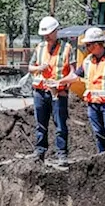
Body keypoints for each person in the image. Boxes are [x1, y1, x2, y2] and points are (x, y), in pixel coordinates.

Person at [67, 27, 105, 153]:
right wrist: (60, 81)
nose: (87, 48)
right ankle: (102, 157)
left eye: (89, 45)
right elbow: (76, 76)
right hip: (93, 103)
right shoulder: (88, 60)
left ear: (98, 44)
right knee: (99, 133)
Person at [28, 15, 73, 165]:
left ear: (56, 31)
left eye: (48, 34)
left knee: (60, 124)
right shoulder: (39, 48)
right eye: (44, 35)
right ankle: (40, 151)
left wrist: (63, 86)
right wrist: (38, 68)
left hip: (58, 93)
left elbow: (73, 73)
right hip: (40, 91)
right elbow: (30, 67)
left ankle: (62, 154)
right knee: (41, 124)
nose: (46, 37)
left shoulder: (66, 48)